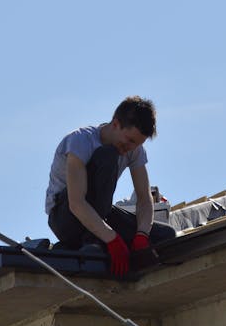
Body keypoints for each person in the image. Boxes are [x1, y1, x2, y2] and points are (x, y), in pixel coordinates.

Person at [45, 96, 176, 277]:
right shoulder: (80, 141)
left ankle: (88, 246)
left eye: (137, 144)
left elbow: (144, 200)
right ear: (115, 124)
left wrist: (142, 235)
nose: (130, 148)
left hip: (101, 215)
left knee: (165, 237)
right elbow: (76, 203)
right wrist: (112, 239)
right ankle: (91, 243)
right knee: (107, 155)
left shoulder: (134, 149)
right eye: (129, 140)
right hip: (67, 217)